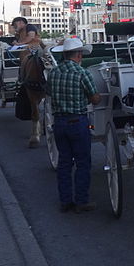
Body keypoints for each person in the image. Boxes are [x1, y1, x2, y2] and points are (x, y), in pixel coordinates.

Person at [46, 37, 101, 213]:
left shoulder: (53, 73)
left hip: (59, 123)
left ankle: (65, 201)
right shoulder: (82, 73)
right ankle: (81, 201)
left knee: (64, 163)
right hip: (78, 122)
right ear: (78, 55)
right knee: (83, 162)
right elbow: (94, 98)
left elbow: (48, 93)